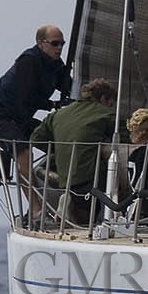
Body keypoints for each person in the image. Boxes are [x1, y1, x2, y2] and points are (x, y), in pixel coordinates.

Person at [0, 25, 72, 219]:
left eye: (62, 43)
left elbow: (71, 87)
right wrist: (52, 104)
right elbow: (24, 97)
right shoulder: (29, 61)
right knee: (23, 150)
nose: (59, 48)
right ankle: (37, 210)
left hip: (21, 118)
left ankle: (61, 198)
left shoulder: (57, 66)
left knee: (60, 143)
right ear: (41, 43)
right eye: (55, 43)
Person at [28, 78, 118, 226]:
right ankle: (110, 222)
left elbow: (36, 138)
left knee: (81, 208)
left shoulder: (58, 114)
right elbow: (129, 139)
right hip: (91, 181)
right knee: (120, 187)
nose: (111, 107)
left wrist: (61, 148)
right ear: (104, 98)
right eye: (111, 103)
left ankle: (68, 204)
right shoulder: (105, 114)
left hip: (64, 180)